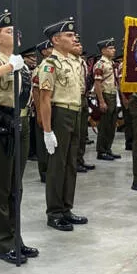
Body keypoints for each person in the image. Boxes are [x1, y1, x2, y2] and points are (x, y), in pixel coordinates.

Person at [0, 10, 40, 264]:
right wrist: (9, 66)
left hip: (21, 123)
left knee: (17, 187)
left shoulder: (19, 60)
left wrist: (16, 64)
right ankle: (4, 243)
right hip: (1, 124)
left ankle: (17, 239)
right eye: (9, 31)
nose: (16, 33)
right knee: (1, 189)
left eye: (16, 30)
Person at [38, 18, 89, 231]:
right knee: (57, 166)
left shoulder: (73, 62)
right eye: (68, 35)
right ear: (56, 40)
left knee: (70, 164)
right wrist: (48, 130)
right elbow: (45, 99)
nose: (73, 37)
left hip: (75, 113)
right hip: (60, 114)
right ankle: (54, 212)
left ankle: (66, 208)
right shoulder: (50, 64)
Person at [94, 37, 121, 161]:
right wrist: (101, 101)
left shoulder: (112, 63)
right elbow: (97, 84)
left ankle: (108, 148)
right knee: (104, 125)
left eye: (113, 48)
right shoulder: (100, 64)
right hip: (105, 95)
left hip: (113, 94)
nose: (114, 50)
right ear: (103, 50)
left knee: (111, 125)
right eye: (110, 48)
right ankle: (101, 150)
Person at [73, 36, 96, 171]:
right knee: (75, 133)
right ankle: (74, 161)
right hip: (74, 98)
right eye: (76, 44)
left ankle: (80, 159)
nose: (80, 46)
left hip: (83, 97)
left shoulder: (82, 62)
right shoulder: (70, 62)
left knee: (82, 132)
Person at [31, 40, 53, 182]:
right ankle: (44, 171)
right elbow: (36, 92)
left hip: (53, 107)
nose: (52, 49)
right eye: (50, 48)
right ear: (44, 52)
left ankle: (52, 170)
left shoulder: (54, 66)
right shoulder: (40, 68)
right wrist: (39, 113)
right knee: (42, 142)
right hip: (42, 108)